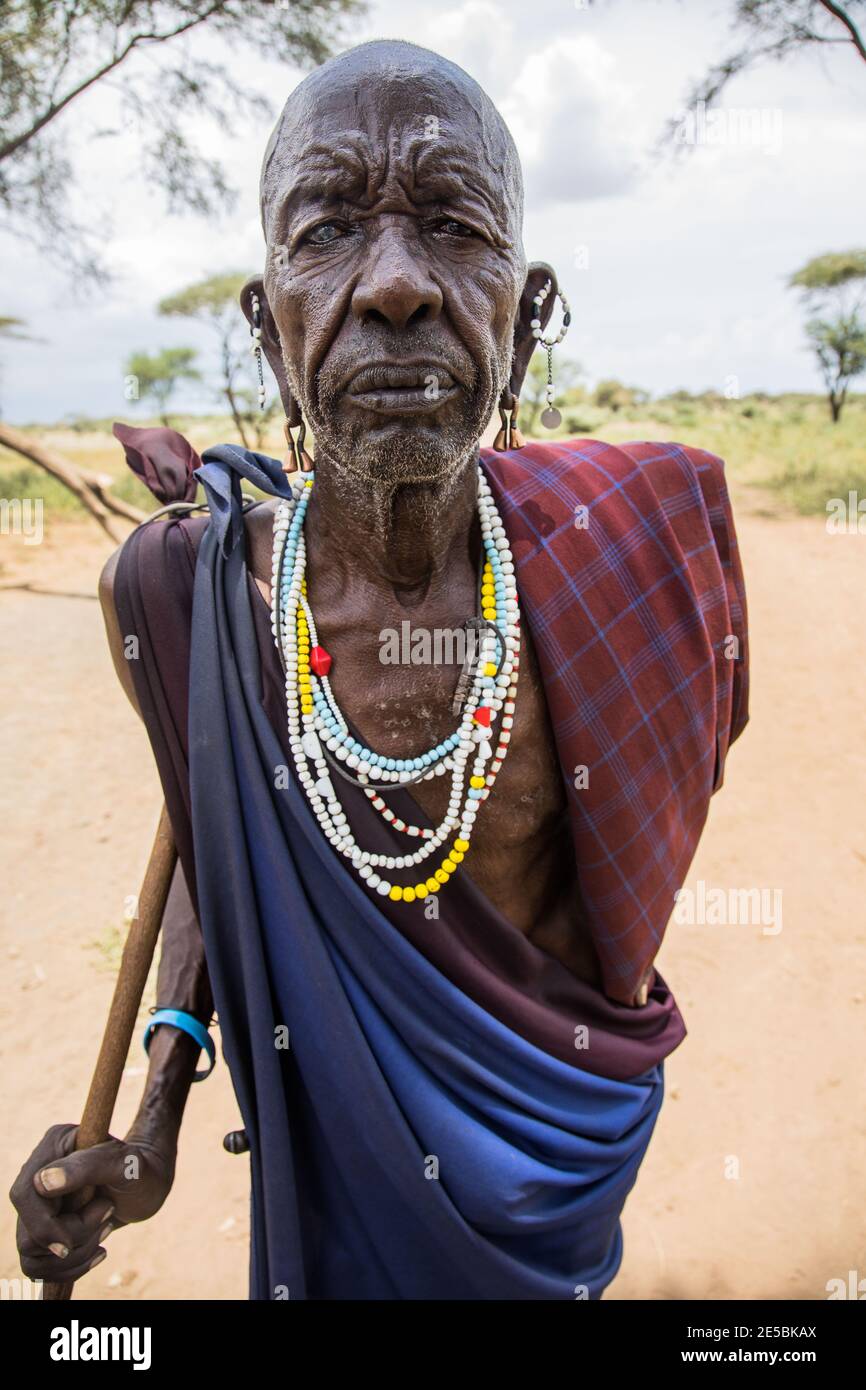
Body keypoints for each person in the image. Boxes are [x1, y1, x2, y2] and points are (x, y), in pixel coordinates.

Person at [11, 39, 748, 1300]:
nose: (397, 283)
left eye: (455, 226)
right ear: (267, 320)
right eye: (329, 227)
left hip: (551, 1176)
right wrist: (153, 1119)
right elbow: (212, 832)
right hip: (339, 1206)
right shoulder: (188, 596)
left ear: (526, 316)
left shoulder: (640, 549)